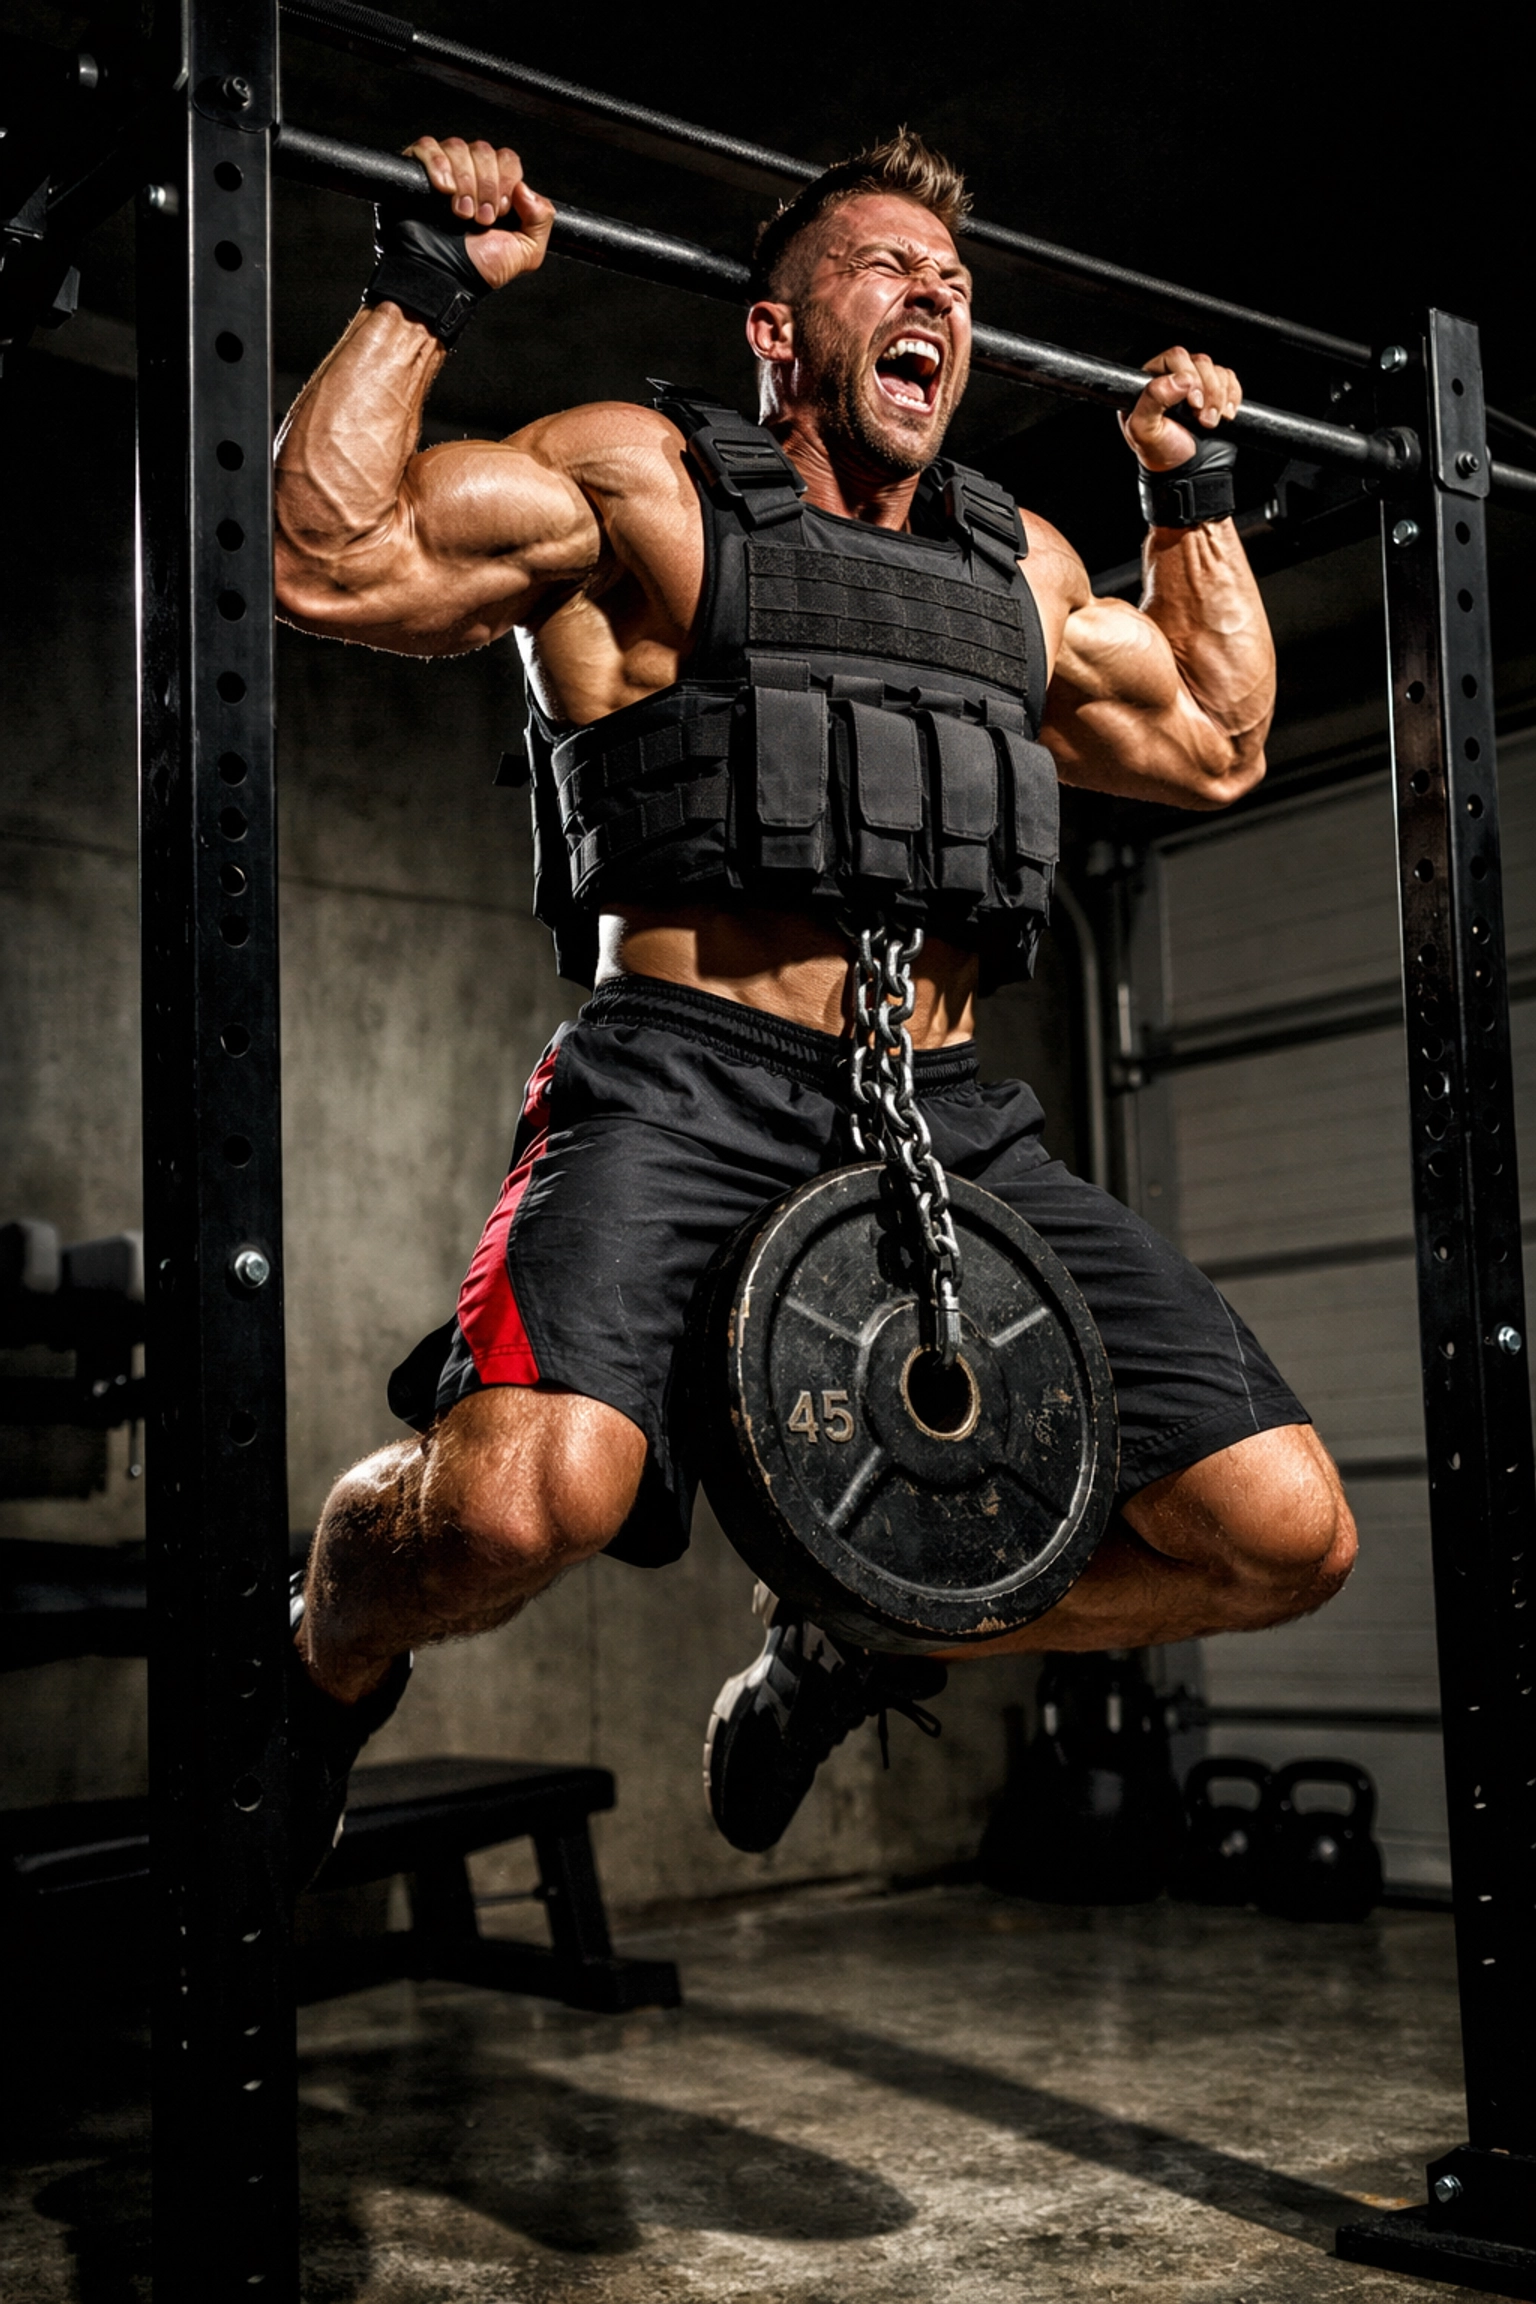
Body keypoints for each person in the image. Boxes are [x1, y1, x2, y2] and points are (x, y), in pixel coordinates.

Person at [273, 127, 1356, 1882]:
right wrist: (419, 286)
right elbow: (331, 556)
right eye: (885, 268)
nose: (934, 295)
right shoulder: (645, 487)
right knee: (512, 1504)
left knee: (1281, 1533)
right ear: (777, 331)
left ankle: (867, 1629)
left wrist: (1191, 491)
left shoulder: (1022, 574)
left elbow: (1219, 737)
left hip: (948, 1115)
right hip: (685, 1084)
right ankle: (320, 1652)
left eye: (957, 285)